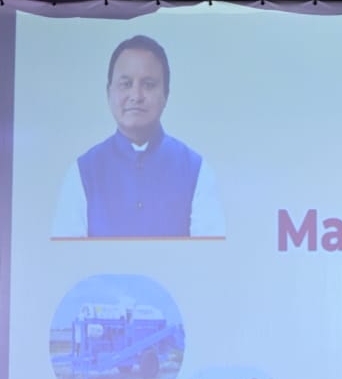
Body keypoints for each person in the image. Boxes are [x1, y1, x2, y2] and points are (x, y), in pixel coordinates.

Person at [52, 34, 226, 238]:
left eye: (149, 84)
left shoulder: (197, 171)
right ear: (109, 92)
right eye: (126, 84)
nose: (136, 96)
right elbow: (65, 253)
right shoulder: (82, 172)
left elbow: (210, 253)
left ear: (166, 95)